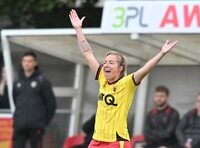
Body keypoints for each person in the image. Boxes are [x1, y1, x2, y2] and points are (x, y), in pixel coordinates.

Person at [69, 9, 178, 148]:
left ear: (120, 68)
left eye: (111, 62)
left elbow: (146, 68)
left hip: (116, 141)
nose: (106, 65)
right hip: (96, 140)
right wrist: (78, 29)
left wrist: (161, 53)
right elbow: (87, 53)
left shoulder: (127, 83)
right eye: (106, 61)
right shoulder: (102, 77)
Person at [12, 51, 56, 148]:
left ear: (35, 63)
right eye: (24, 61)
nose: (27, 63)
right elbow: (15, 100)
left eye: (30, 61)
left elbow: (51, 105)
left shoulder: (42, 82)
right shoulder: (17, 82)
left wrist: (43, 122)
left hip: (36, 126)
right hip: (20, 125)